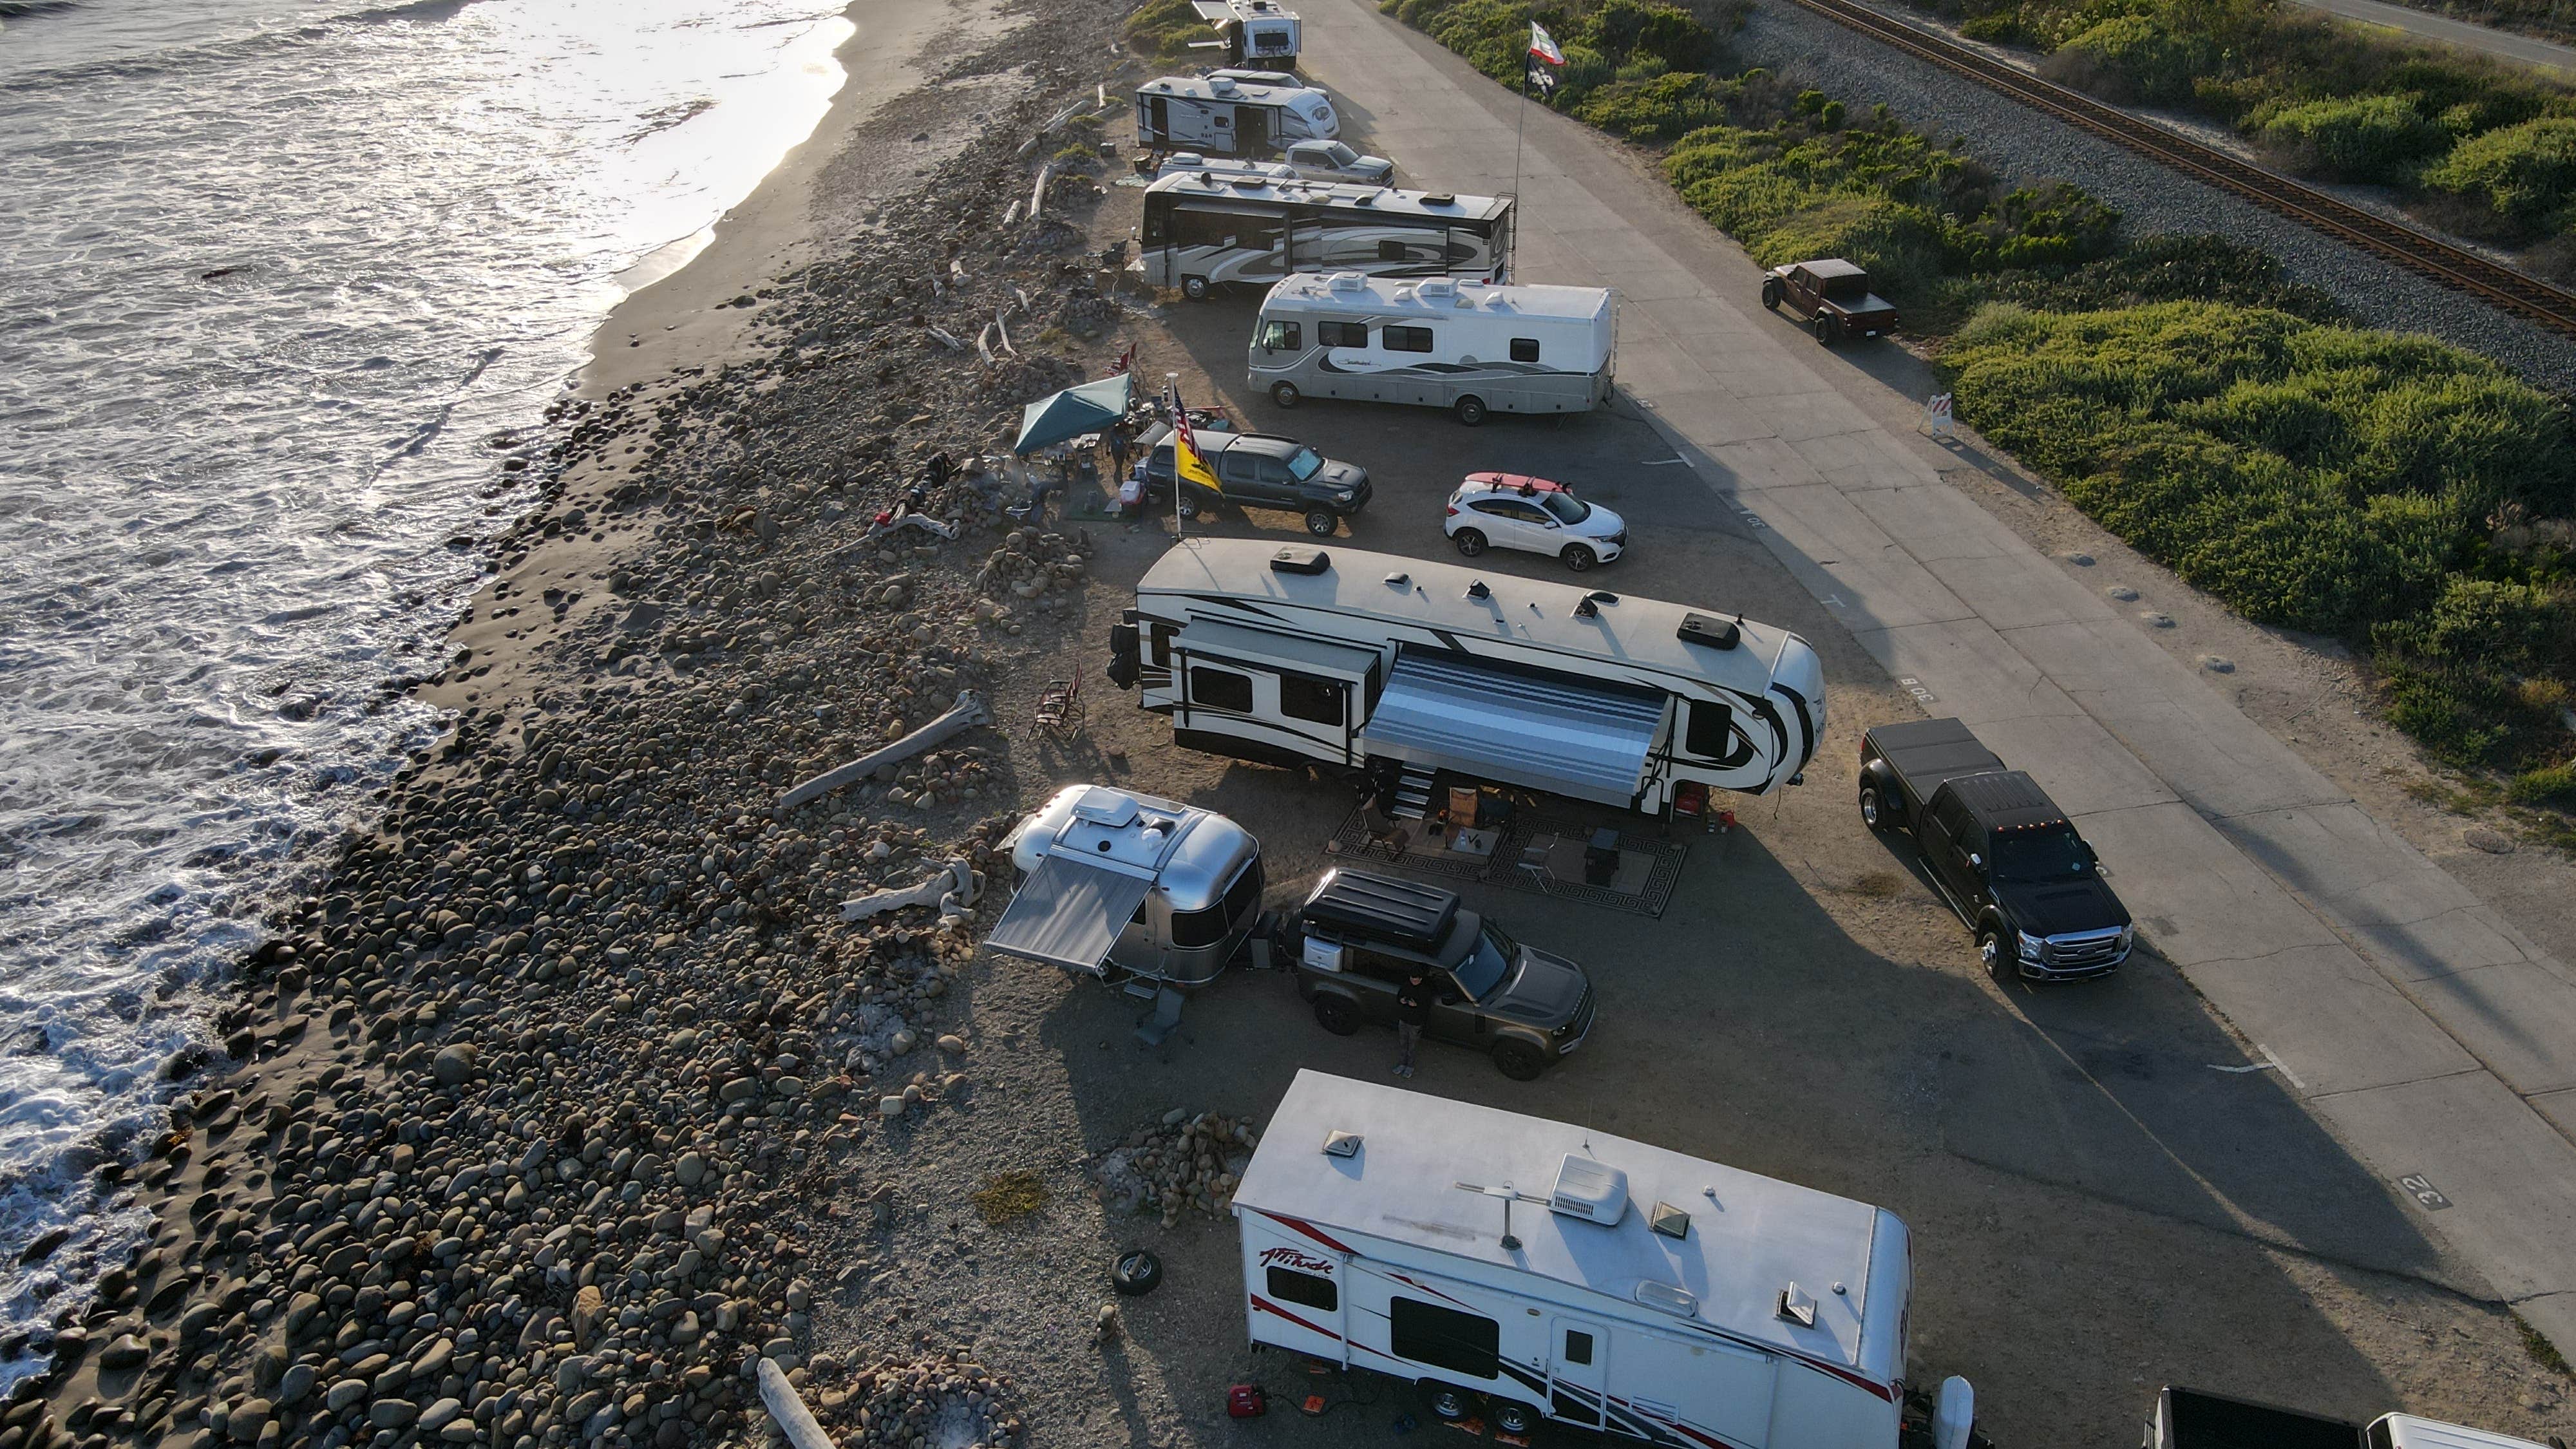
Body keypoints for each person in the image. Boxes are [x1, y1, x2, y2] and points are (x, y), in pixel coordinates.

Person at [1394, 969, 1432, 1078]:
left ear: (1420, 979)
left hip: (1416, 1022)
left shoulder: (1425, 991)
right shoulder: (1406, 986)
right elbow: (1399, 997)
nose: (1413, 982)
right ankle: (1402, 1064)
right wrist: (1401, 1001)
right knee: (1403, 1043)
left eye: (1416, 980)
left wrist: (1416, 1006)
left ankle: (1410, 1066)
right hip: (1404, 1019)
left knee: (1412, 1046)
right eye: (1412, 979)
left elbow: (1426, 1008)